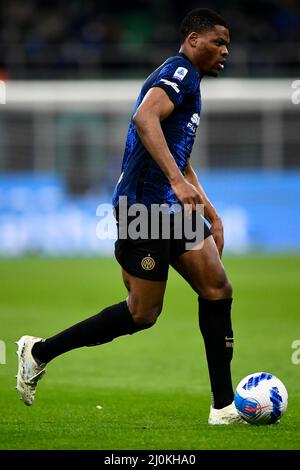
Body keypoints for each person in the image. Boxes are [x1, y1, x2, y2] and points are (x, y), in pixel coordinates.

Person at [16, 8, 244, 425]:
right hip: (142, 210)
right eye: (218, 42)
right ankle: (37, 352)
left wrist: (209, 209)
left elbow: (179, 155)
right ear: (194, 40)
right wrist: (176, 182)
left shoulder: (188, 83)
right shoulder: (180, 72)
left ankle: (223, 406)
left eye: (227, 44)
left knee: (217, 288)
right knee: (142, 314)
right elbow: (144, 119)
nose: (225, 50)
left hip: (170, 209)